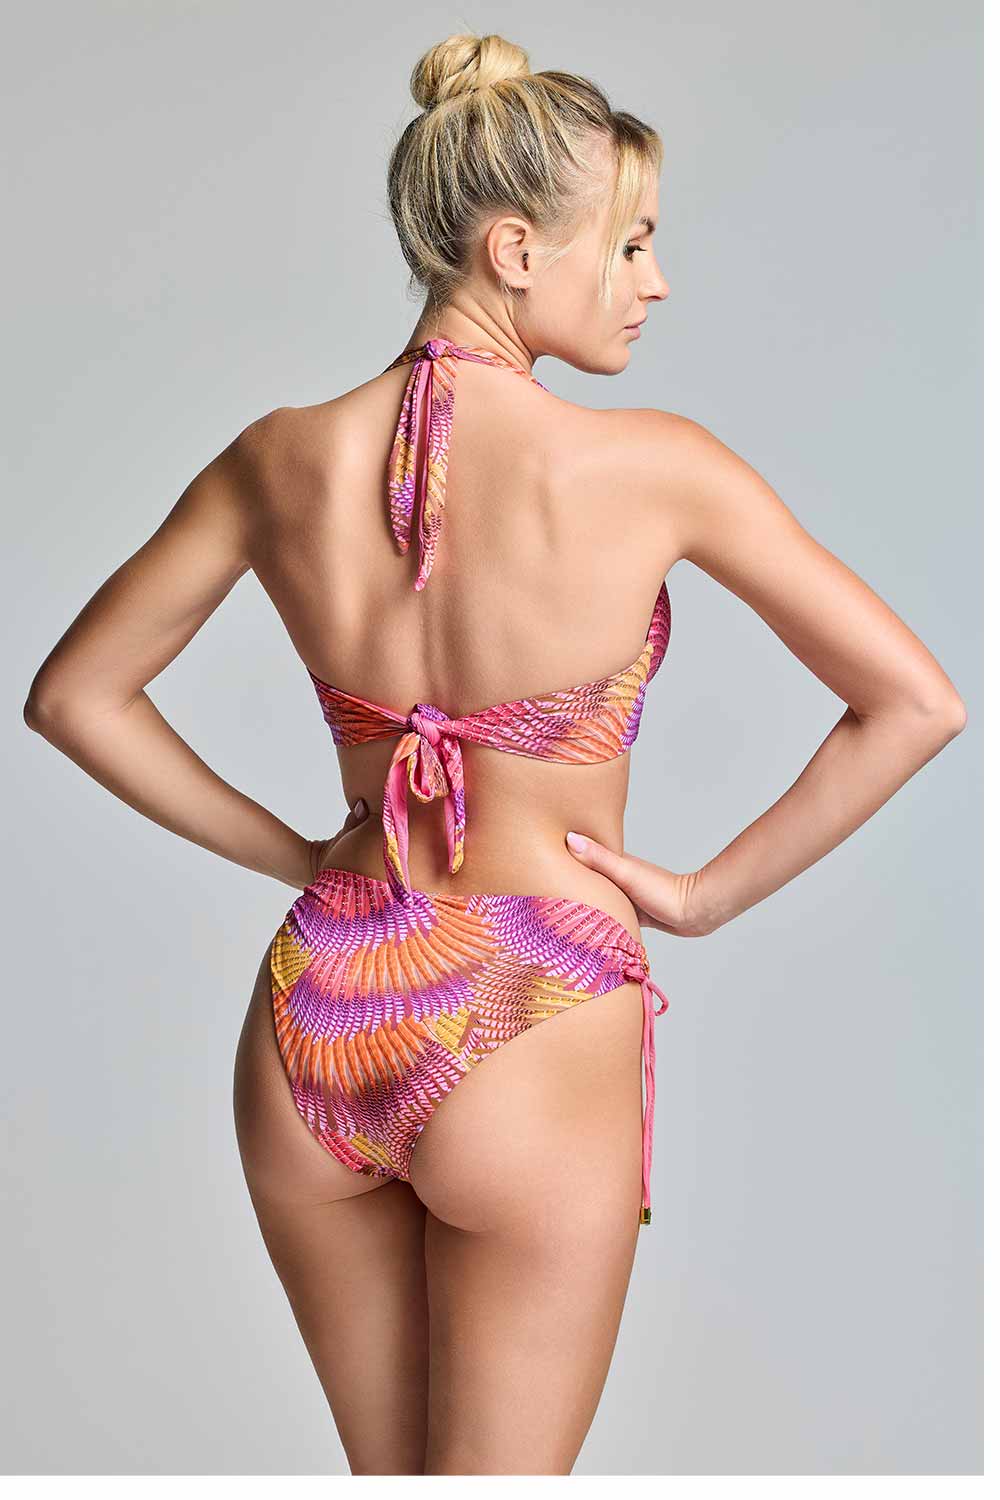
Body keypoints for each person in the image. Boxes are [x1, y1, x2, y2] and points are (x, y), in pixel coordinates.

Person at [22, 30, 966, 1479]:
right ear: (516, 251)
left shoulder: (277, 458)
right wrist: (702, 895)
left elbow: (75, 696)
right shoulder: (655, 468)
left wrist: (302, 852)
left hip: (322, 1000)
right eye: (632, 242)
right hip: (538, 1010)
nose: (656, 280)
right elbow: (916, 702)